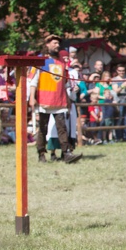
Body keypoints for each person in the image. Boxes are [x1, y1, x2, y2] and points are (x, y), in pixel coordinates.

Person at [28, 35, 82, 164]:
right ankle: (41, 153)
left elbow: (65, 83)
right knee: (43, 128)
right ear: (47, 44)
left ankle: (66, 153)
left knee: (62, 128)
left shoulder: (61, 63)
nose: (57, 46)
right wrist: (31, 98)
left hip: (59, 100)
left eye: (58, 44)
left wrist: (68, 99)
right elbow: (33, 81)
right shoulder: (40, 61)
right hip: (44, 99)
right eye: (54, 43)